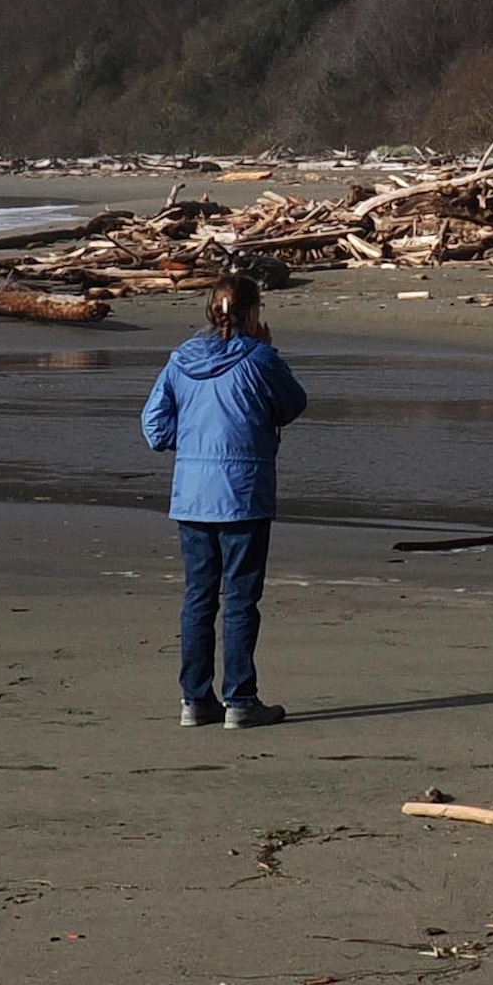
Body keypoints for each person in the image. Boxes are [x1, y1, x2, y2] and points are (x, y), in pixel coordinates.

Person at [140, 273, 310, 727]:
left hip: (194, 495)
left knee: (199, 597)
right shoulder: (259, 358)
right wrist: (269, 353)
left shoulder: (181, 359)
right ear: (253, 314)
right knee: (238, 599)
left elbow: (155, 428)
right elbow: (294, 404)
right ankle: (239, 700)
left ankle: (195, 700)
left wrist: (195, 444)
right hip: (243, 493)